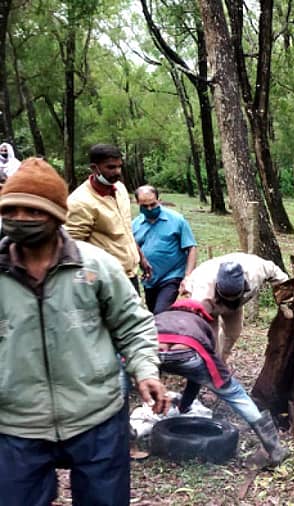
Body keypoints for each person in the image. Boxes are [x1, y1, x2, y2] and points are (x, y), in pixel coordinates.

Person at [0, 158, 168, 505]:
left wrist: (145, 369)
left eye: (33, 212)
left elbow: (132, 322)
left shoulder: (95, 266)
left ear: (57, 215)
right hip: (14, 423)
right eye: (11, 210)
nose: (20, 219)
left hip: (96, 416)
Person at [155, 299, 286, 466]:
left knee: (120, 383)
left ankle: (127, 435)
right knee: (236, 394)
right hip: (187, 352)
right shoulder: (200, 323)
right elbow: (202, 372)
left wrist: (183, 406)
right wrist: (221, 384)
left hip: (152, 349)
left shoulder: (162, 315)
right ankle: (273, 448)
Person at [66, 143, 150, 293]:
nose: (117, 172)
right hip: (104, 280)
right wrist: (90, 282)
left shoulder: (120, 190)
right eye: (111, 167)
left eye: (119, 166)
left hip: (129, 275)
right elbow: (72, 248)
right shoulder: (80, 202)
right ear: (94, 168)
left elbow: (125, 230)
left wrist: (140, 257)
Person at [182, 252, 290, 361]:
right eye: (227, 297)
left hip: (237, 304)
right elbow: (195, 324)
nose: (229, 299)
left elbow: (282, 279)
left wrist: (287, 300)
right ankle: (212, 367)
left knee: (233, 332)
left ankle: (222, 361)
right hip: (211, 305)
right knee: (210, 341)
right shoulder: (202, 291)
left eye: (233, 296)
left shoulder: (257, 270)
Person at [132, 185, 198, 313]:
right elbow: (134, 249)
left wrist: (187, 276)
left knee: (160, 312)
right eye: (145, 206)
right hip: (150, 280)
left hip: (172, 275)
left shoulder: (177, 220)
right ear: (137, 203)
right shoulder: (135, 225)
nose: (150, 208)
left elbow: (191, 248)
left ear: (159, 200)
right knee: (153, 313)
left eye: (153, 204)